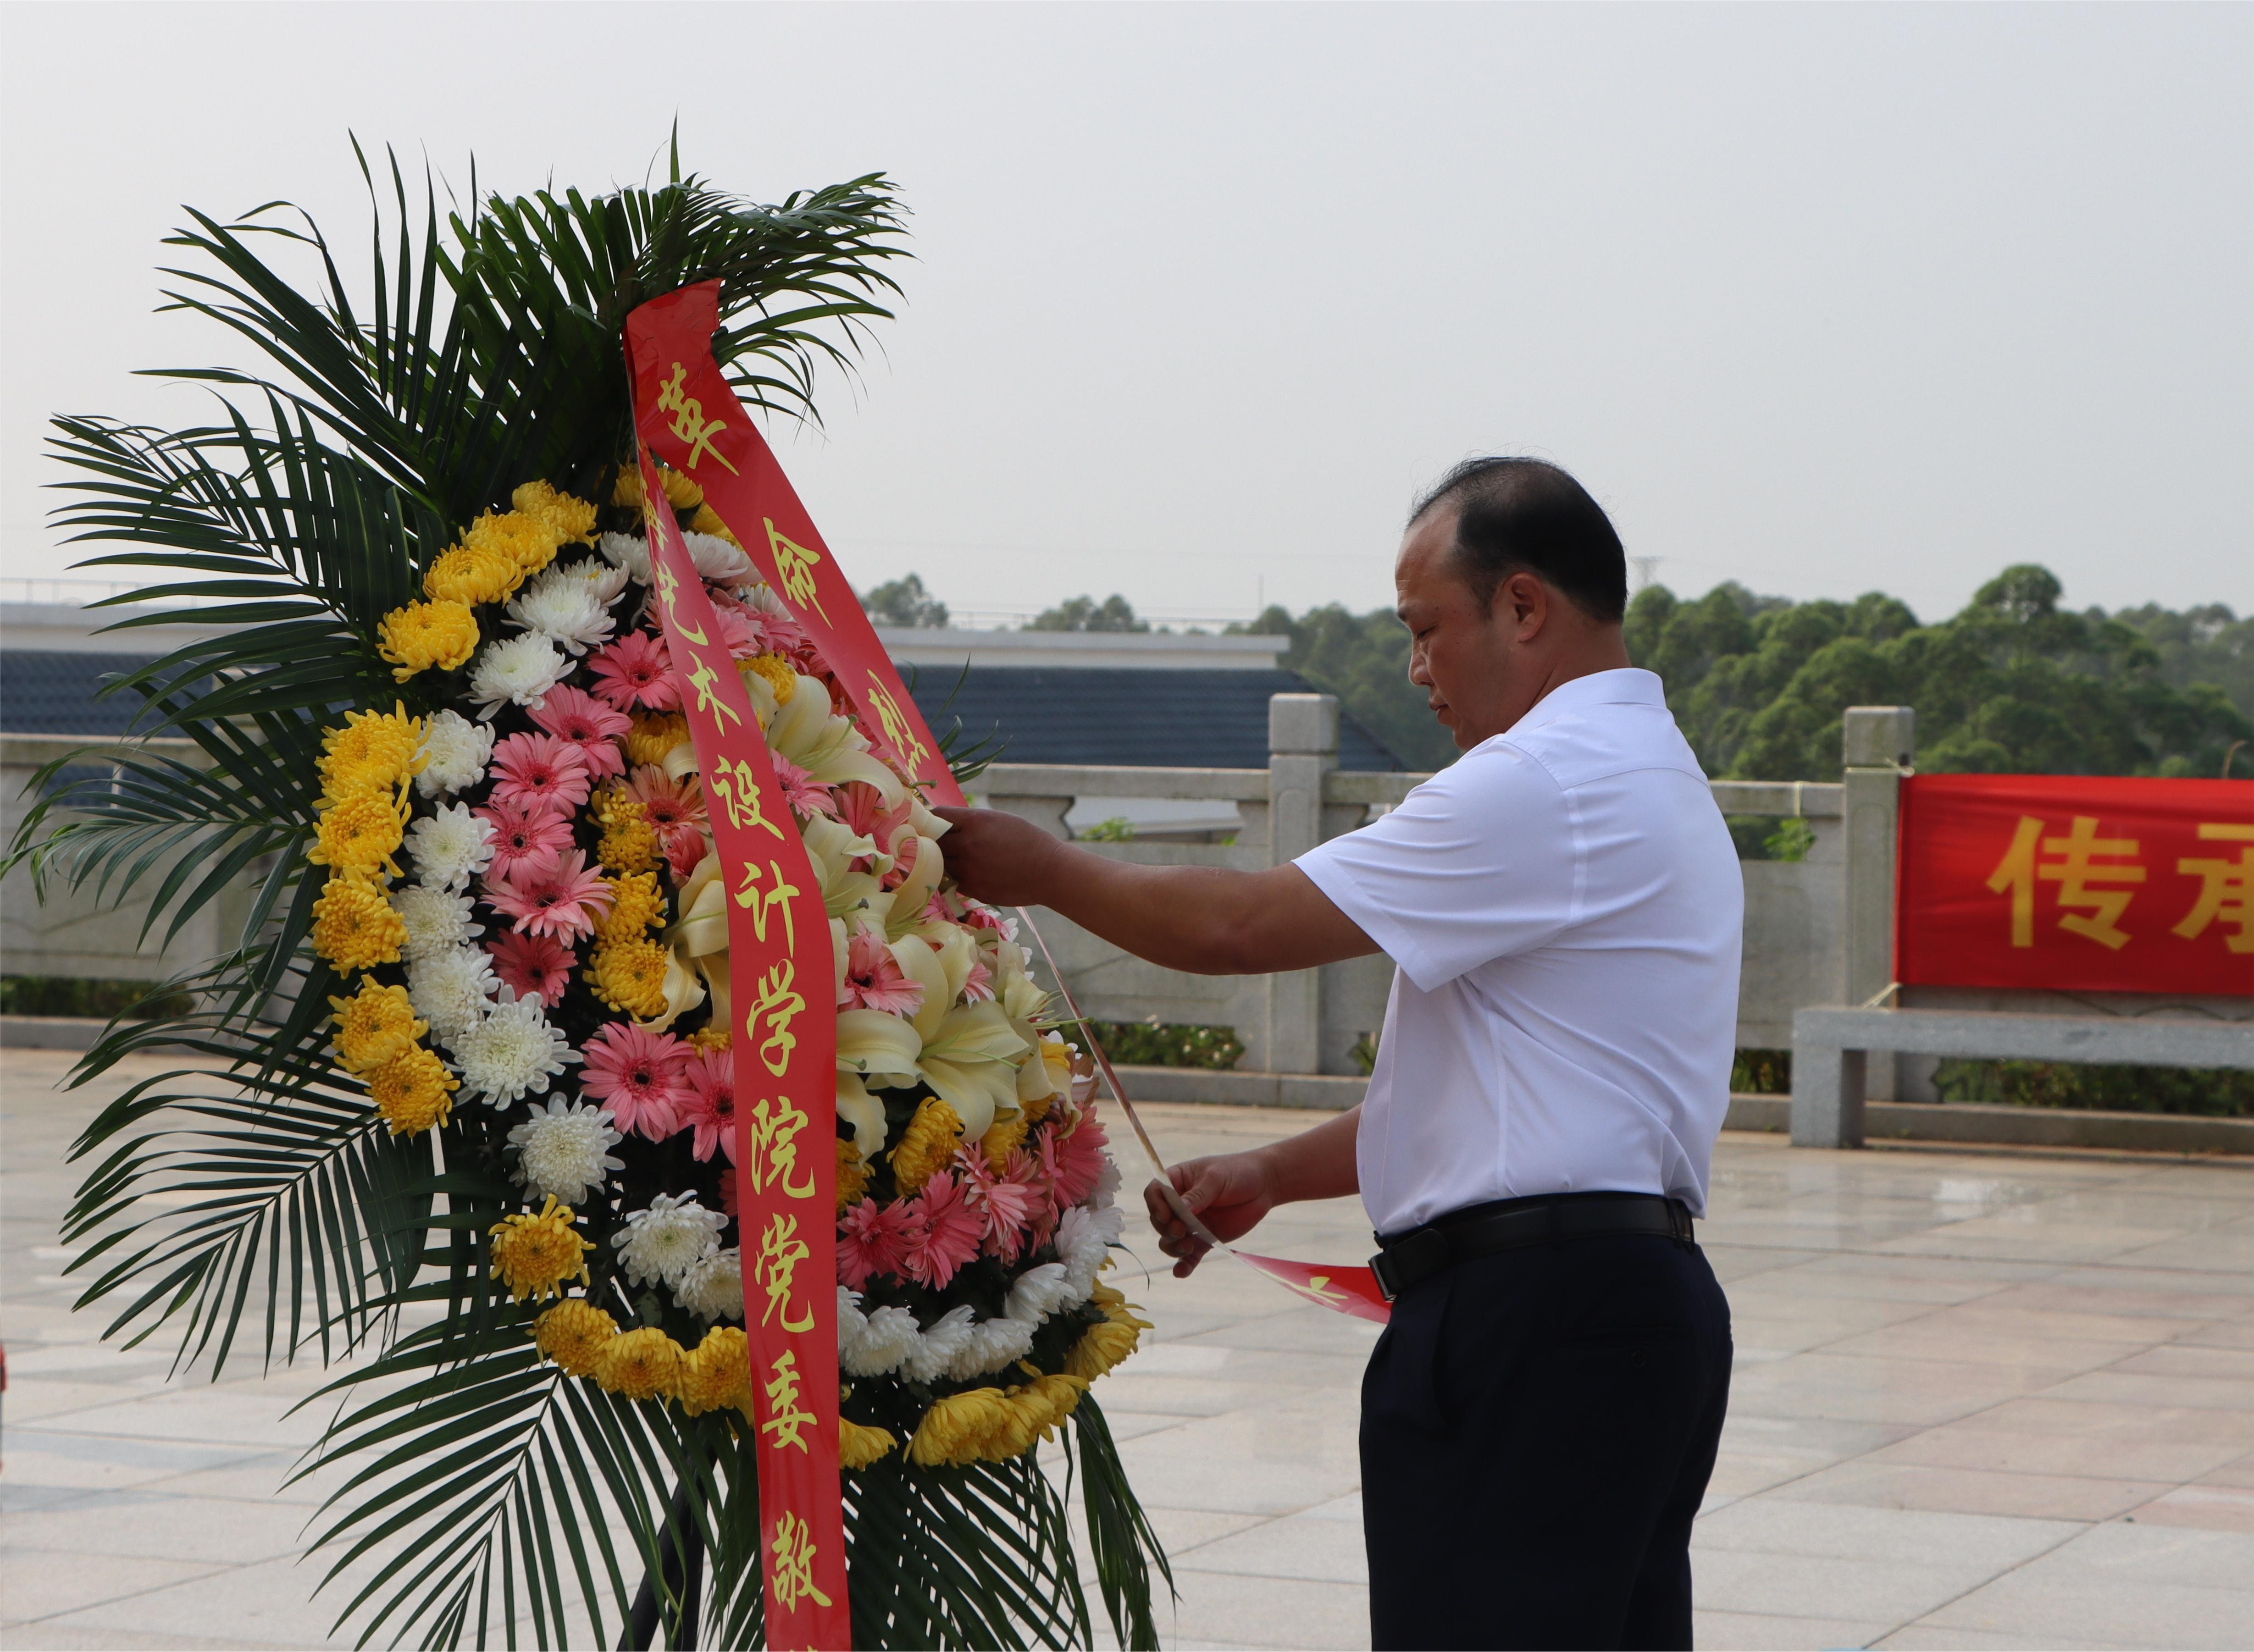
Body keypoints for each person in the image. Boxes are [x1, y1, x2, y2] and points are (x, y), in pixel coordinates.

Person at [935, 457, 1740, 1651]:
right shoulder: (1648, 770)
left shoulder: (1544, 780)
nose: (1416, 669)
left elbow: (1238, 926)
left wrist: (1045, 869)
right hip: (1615, 1311)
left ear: (1523, 607)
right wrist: (1273, 1171)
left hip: (1538, 1324)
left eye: (1425, 629)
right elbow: (1511, 1105)